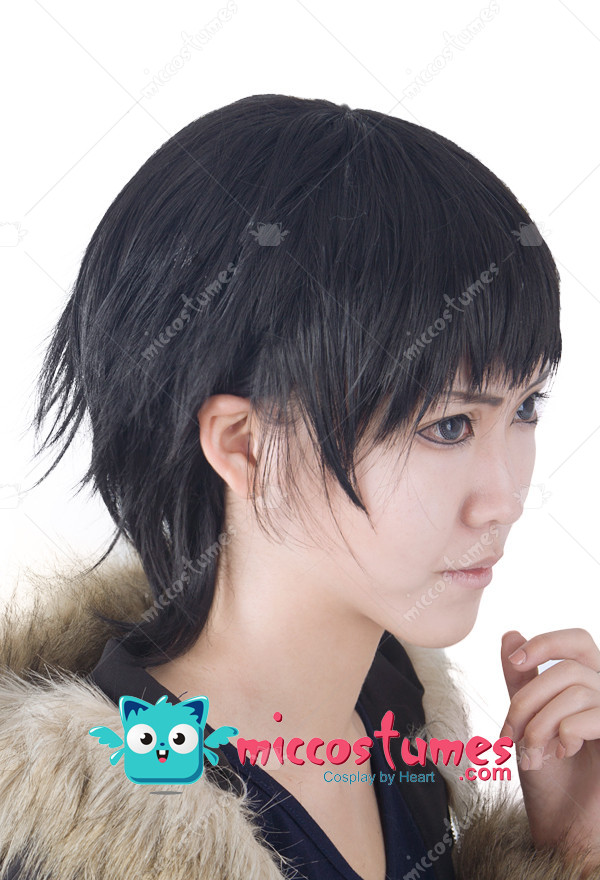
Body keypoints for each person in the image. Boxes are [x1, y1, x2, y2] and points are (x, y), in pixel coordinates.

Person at [1, 93, 599, 880]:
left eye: (525, 409)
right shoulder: (75, 848)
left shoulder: (396, 712)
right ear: (244, 445)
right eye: (449, 425)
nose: (506, 499)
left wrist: (572, 849)